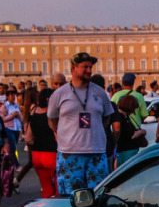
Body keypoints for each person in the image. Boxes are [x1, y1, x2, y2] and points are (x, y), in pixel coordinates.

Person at [48, 52, 115, 195]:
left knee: (97, 196)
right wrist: (65, 134)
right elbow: (52, 120)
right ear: (74, 68)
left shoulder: (100, 93)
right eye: (85, 67)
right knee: (70, 198)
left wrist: (93, 132)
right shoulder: (60, 94)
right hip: (69, 154)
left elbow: (106, 119)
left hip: (96, 153)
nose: (89, 71)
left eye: (90, 67)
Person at [23, 88, 58, 197]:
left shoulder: (33, 116)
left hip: (37, 155)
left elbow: (28, 138)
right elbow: (57, 138)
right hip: (51, 154)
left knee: (46, 189)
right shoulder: (52, 118)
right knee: (57, 189)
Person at [113, 94, 147, 166]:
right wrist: (142, 132)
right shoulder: (123, 118)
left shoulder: (121, 117)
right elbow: (132, 135)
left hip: (122, 150)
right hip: (127, 151)